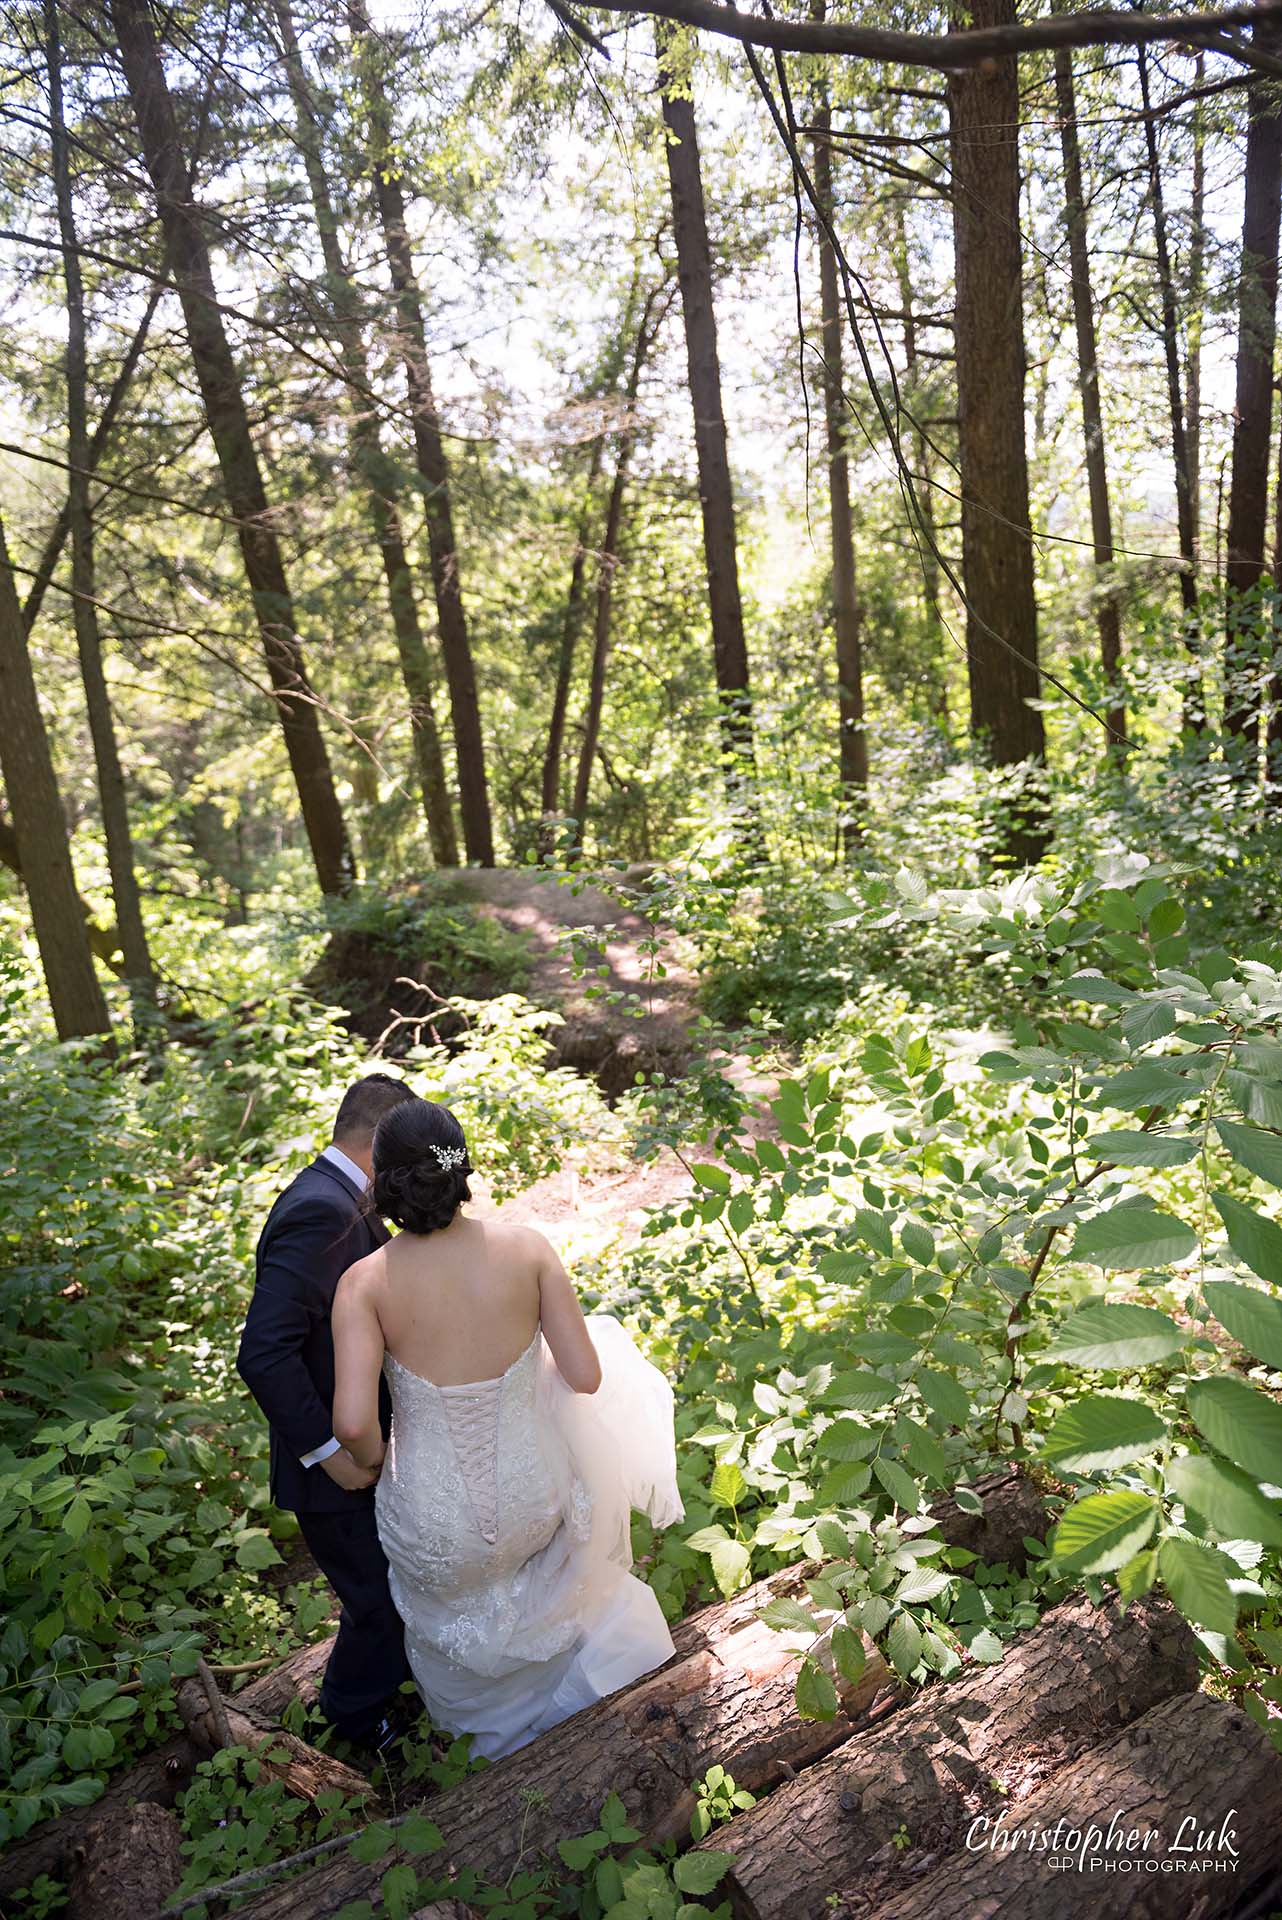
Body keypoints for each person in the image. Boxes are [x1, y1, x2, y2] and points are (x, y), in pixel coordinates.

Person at [331, 1096, 682, 1760]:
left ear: (384, 1180)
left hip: (435, 1516)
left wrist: (370, 1461)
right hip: (531, 1493)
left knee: (462, 1603)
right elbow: (585, 1375)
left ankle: (494, 1751)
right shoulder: (527, 1250)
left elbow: (352, 1420)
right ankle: (576, 1718)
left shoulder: (364, 1284)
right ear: (459, 1167)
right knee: (539, 1577)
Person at [237, 1073, 416, 1750]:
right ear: (377, 1141)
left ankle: (381, 1699)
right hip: (333, 1467)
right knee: (374, 1601)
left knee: (389, 1589)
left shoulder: (345, 1196)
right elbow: (264, 1353)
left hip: (361, 1446)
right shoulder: (322, 1210)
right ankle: (352, 1721)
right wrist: (328, 1453)